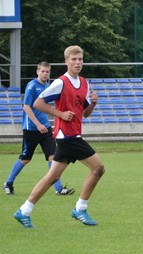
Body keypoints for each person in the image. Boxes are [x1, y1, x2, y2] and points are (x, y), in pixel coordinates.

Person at [12, 45, 104, 229]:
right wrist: (60, 114)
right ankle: (80, 208)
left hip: (72, 134)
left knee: (52, 177)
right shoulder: (60, 82)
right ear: (66, 61)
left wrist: (93, 103)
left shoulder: (84, 83)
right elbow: (38, 103)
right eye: (74, 59)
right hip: (67, 136)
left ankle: (24, 211)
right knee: (98, 168)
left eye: (80, 59)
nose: (78, 63)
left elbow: (85, 114)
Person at [4, 62, 75, 196]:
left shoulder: (48, 86)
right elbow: (26, 107)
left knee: (53, 157)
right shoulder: (31, 86)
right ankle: (8, 183)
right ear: (37, 72)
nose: (45, 74)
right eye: (42, 71)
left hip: (46, 128)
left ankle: (58, 188)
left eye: (47, 72)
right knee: (25, 158)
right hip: (31, 128)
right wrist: (37, 124)